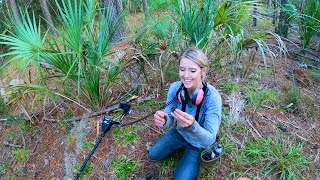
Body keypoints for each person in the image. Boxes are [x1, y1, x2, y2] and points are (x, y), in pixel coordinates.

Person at [149, 48, 222, 179]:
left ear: (203, 70)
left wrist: (193, 126)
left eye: (192, 71)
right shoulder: (175, 88)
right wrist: (165, 120)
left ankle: (192, 156)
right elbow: (169, 116)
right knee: (153, 155)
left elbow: (209, 139)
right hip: (180, 133)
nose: (186, 75)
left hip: (199, 143)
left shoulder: (213, 97)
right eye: (182, 69)